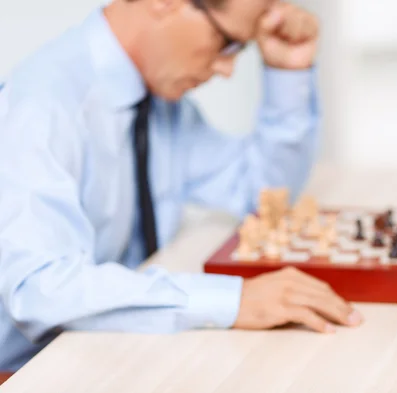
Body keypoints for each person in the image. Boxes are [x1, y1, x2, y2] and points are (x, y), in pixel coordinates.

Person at [0, 0, 363, 372]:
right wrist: (232, 300)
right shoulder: (42, 105)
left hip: (115, 353)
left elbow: (261, 191)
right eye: (226, 41)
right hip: (25, 375)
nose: (226, 68)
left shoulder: (159, 106)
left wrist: (288, 72)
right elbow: (39, 290)